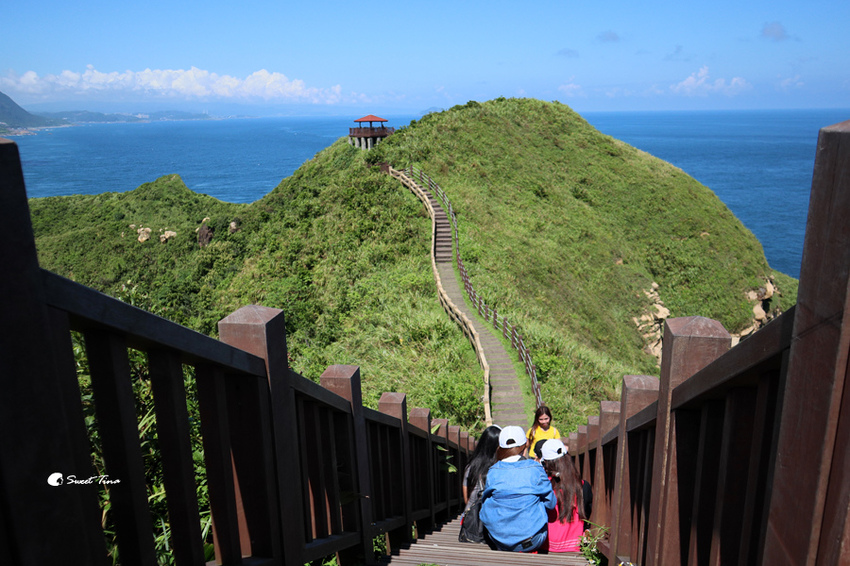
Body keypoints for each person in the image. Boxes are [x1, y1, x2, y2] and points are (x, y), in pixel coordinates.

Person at [479, 426, 556, 552]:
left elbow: (485, 502)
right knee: (539, 500)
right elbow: (551, 503)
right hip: (532, 541)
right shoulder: (535, 468)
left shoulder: (493, 471)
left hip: (499, 540)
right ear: (525, 445)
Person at [539, 439, 586, 552]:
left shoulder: (543, 486)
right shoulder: (582, 486)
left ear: (546, 463)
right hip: (573, 546)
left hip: (547, 545)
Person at [458, 425, 501, 543]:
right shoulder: (498, 468)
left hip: (470, 524)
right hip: (492, 526)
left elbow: (467, 500)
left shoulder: (471, 466)